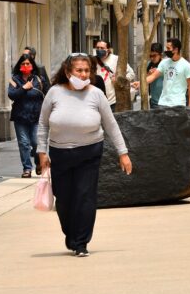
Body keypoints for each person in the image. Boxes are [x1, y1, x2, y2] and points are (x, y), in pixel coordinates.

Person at [37, 53, 133, 257]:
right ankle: (71, 235)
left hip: (89, 152)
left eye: (87, 71)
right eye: (79, 70)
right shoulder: (54, 93)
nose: (83, 75)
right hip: (60, 153)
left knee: (84, 196)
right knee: (63, 199)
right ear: (68, 71)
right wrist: (41, 152)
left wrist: (122, 153)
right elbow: (43, 124)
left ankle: (81, 242)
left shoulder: (96, 94)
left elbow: (111, 125)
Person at [8, 53, 47, 177]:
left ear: (32, 65)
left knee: (36, 142)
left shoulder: (39, 79)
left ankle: (38, 163)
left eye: (28, 63)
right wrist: (24, 88)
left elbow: (49, 93)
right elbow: (11, 95)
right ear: (19, 66)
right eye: (23, 64)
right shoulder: (14, 80)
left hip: (36, 116)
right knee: (24, 143)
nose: (25, 65)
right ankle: (27, 168)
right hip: (20, 116)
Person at [142, 38, 190, 107]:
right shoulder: (164, 63)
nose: (166, 50)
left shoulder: (186, 65)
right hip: (163, 103)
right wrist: (141, 83)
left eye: (168, 48)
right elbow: (153, 76)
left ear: (175, 49)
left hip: (178, 104)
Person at [94, 39, 137, 110]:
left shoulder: (116, 59)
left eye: (102, 48)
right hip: (97, 101)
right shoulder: (93, 60)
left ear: (108, 50)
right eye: (97, 48)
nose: (99, 50)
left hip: (113, 101)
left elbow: (131, 74)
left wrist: (119, 80)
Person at [147, 43, 165, 109]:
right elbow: (146, 79)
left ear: (160, 55)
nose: (152, 58)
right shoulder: (149, 64)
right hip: (154, 102)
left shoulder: (165, 64)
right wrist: (149, 74)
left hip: (165, 102)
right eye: (150, 56)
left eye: (154, 55)